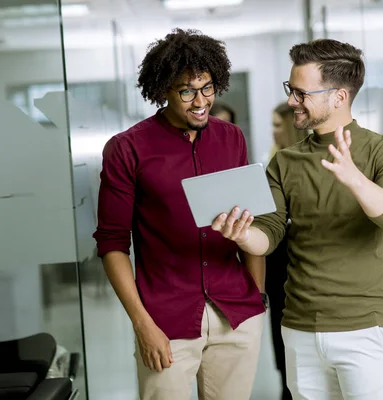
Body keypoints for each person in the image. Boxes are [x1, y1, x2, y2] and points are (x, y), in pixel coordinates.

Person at [212, 38, 383, 400]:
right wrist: (240, 234)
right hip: (299, 330)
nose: (292, 101)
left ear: (338, 97)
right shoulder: (285, 161)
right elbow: (269, 234)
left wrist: (354, 178)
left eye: (301, 93)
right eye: (291, 90)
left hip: (364, 330)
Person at [93, 28, 266, 400]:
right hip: (165, 319)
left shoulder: (231, 137)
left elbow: (248, 217)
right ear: (163, 92)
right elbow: (111, 244)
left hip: (235, 312)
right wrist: (142, 324)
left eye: (207, 88)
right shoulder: (127, 149)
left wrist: (257, 295)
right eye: (187, 91)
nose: (200, 101)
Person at [265, 102, 308, 400]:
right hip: (275, 262)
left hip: (297, 261)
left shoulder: (306, 165)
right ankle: (286, 387)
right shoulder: (273, 162)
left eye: (278, 125)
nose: (273, 132)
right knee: (280, 331)